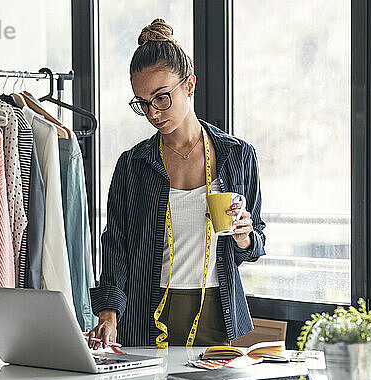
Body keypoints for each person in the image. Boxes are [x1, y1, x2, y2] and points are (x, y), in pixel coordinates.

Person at [88, 18, 265, 349]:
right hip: (146, 315)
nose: (153, 112)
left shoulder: (237, 155)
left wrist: (244, 237)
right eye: (142, 102)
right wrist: (109, 314)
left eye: (162, 97)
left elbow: (255, 244)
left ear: (189, 85)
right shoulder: (133, 165)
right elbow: (116, 244)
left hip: (217, 314)